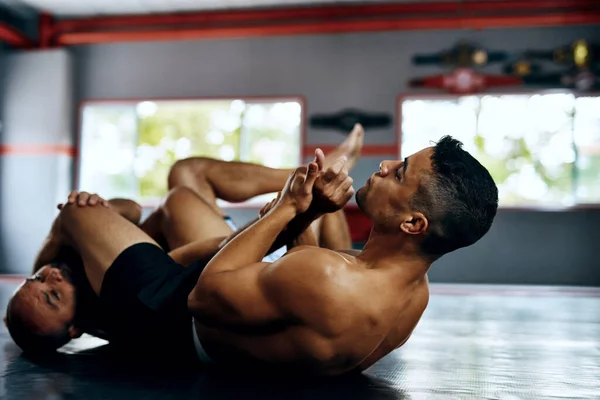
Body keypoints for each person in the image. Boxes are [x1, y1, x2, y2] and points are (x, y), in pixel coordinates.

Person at [8, 133, 499, 378]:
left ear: (414, 223)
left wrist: (290, 205)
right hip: (226, 312)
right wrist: (302, 217)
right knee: (181, 195)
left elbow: (201, 296)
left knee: (76, 211)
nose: (387, 164)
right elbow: (300, 295)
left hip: (165, 316)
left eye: (399, 173)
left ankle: (57, 275)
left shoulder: (332, 280)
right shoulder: (411, 294)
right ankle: (106, 256)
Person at [4, 126, 363, 365]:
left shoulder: (72, 268)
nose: (49, 277)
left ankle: (310, 175)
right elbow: (176, 270)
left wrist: (69, 226)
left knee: (182, 179)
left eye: (35, 279)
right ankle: (314, 177)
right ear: (74, 331)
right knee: (181, 191)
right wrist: (256, 232)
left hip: (179, 266)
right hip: (211, 264)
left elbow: (130, 211)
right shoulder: (112, 306)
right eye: (52, 295)